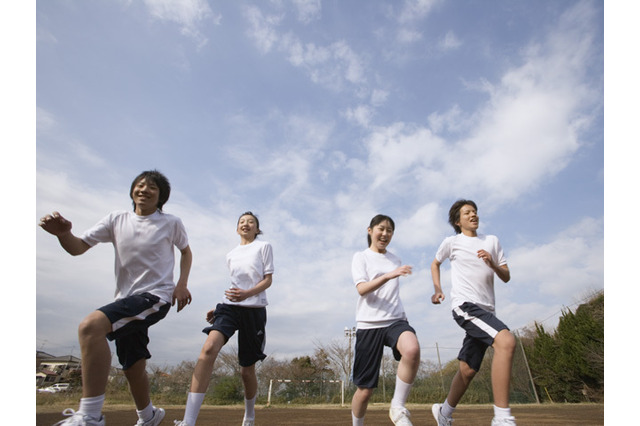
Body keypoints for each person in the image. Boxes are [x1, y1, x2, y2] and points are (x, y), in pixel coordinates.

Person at [39, 170, 193, 426]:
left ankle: (90, 415)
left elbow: (186, 252)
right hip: (127, 298)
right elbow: (78, 248)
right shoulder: (116, 219)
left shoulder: (171, 222)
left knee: (91, 326)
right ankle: (149, 416)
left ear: (161, 196)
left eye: (152, 187)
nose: (144, 189)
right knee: (133, 365)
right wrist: (63, 234)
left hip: (156, 295)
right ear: (133, 190)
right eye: (140, 185)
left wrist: (181, 284)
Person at [174, 211, 274, 426]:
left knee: (247, 370)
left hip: (254, 310)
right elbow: (234, 284)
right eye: (241, 222)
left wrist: (247, 294)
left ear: (257, 229)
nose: (245, 224)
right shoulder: (231, 254)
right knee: (208, 348)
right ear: (237, 228)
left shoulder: (263, 247)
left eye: (251, 222)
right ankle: (188, 421)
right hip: (230, 306)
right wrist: (219, 308)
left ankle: (249, 416)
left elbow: (267, 281)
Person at [430, 200, 516, 426]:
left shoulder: (492, 241)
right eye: (467, 212)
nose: (473, 214)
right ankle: (502, 418)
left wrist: (492, 263)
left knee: (467, 369)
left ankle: (444, 413)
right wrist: (438, 289)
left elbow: (506, 276)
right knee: (506, 341)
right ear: (458, 221)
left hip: (487, 311)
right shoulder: (452, 242)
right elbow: (435, 263)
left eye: (475, 211)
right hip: (466, 306)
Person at [350, 215, 421, 426]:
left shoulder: (395, 259)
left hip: (394, 320)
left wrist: (393, 272)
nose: (385, 234)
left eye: (390, 231)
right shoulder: (360, 257)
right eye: (381, 229)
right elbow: (362, 289)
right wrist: (389, 275)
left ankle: (397, 407)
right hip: (369, 323)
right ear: (370, 230)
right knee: (365, 391)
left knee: (412, 349)